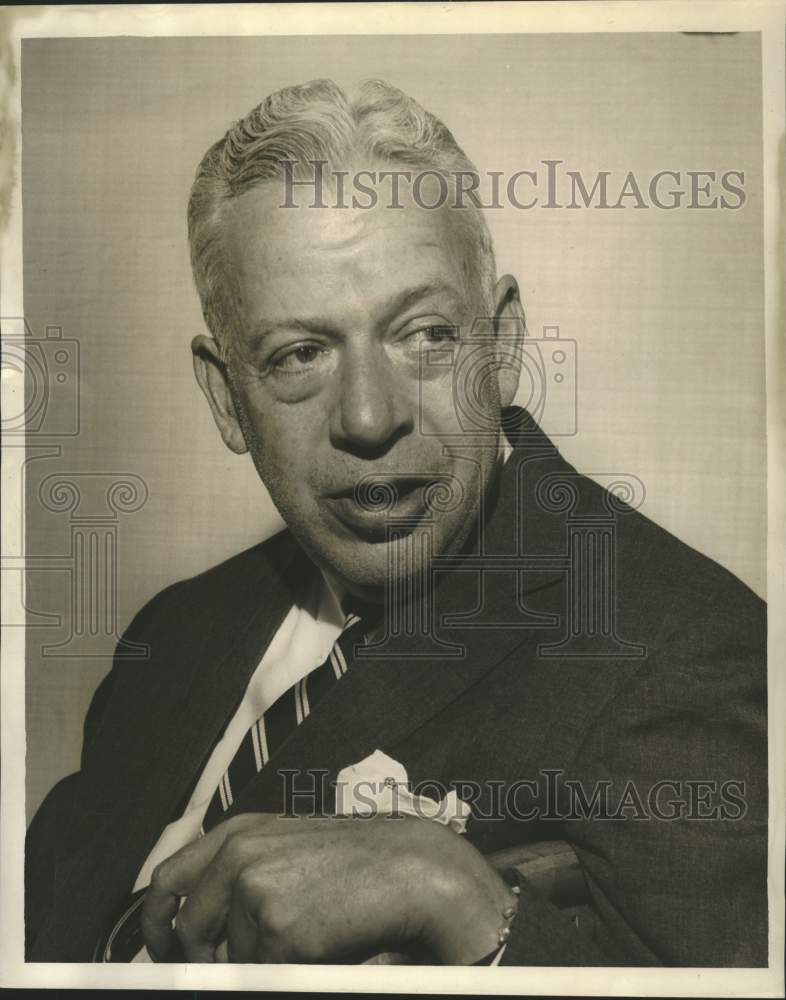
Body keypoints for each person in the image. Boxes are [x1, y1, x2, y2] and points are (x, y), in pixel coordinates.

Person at [25, 78, 767, 966]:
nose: (370, 419)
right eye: (300, 353)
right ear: (227, 399)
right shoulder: (173, 633)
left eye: (423, 336)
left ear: (501, 347)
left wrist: (462, 906)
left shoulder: (683, 651)